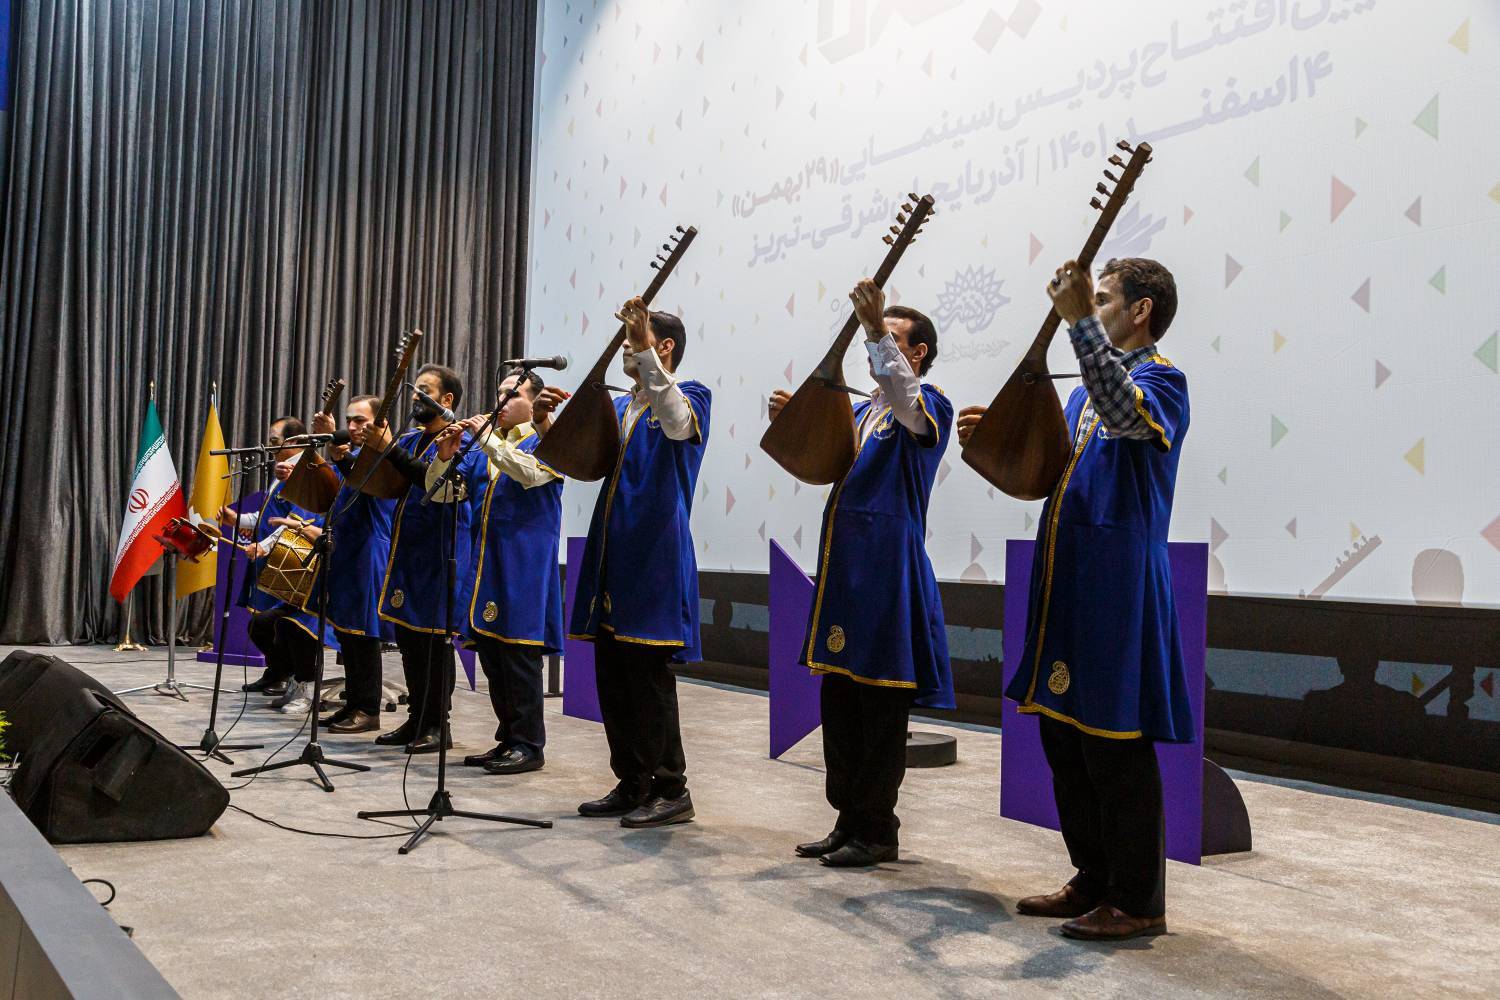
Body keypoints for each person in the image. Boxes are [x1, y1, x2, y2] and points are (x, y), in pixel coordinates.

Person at [958, 257, 1190, 941]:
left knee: (1114, 744)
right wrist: (995, 443)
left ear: (1140, 310)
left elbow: (1124, 414)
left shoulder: (1161, 381)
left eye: (1107, 299)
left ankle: (1138, 899)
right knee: (1064, 736)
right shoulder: (1079, 398)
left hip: (1116, 592)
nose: (1094, 306)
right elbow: (1051, 476)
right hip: (1066, 584)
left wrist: (1078, 323)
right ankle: (1093, 878)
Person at [768, 279, 954, 868]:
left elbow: (904, 397)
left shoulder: (929, 404)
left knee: (878, 710)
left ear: (916, 352)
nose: (877, 352)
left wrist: (873, 329)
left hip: (886, 577)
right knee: (840, 702)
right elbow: (816, 461)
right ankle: (846, 819)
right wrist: (799, 419)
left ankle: (878, 830)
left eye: (893, 340)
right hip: (844, 574)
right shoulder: (858, 412)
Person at [566, 298, 711, 828]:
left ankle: (672, 789)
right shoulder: (625, 407)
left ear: (662, 346)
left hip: (654, 558)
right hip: (612, 555)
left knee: (648, 678)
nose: (626, 349)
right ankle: (632, 781)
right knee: (613, 675)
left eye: (636, 341)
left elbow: (676, 422)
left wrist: (643, 349)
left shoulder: (690, 396)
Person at [429, 369, 564, 775]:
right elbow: (442, 494)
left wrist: (483, 441)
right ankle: (507, 737)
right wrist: (445, 458)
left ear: (534, 401)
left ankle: (529, 744)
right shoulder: (486, 449)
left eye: (512, 395)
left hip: (524, 563)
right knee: (492, 651)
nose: (500, 402)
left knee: (519, 653)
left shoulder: (546, 439)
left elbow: (531, 474)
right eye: (498, 394)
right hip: (486, 563)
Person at [375, 364, 488, 754]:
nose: (415, 396)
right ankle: (416, 719)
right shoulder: (410, 438)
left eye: (424, 390)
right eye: (415, 390)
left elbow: (433, 479)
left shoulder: (464, 441)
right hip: (408, 553)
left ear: (447, 400)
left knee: (433, 642)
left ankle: (439, 725)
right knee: (408, 639)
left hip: (442, 555)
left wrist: (389, 449)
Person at [219, 416, 336, 715]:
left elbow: (295, 522)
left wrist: (265, 544)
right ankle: (280, 673)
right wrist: (240, 521)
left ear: (295, 442)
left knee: (289, 625)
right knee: (264, 624)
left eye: (275, 439)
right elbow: (271, 516)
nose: (270, 445)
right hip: (278, 557)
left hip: (300, 563)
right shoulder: (282, 472)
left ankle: (303, 682)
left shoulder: (309, 471)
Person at [301, 394, 395, 734]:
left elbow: (362, 482)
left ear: (380, 423)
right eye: (350, 420)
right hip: (347, 549)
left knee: (364, 633)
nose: (353, 426)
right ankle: (353, 702)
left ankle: (368, 708)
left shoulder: (383, 456)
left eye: (360, 420)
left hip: (369, 550)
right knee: (347, 631)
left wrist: (334, 449)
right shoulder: (354, 457)